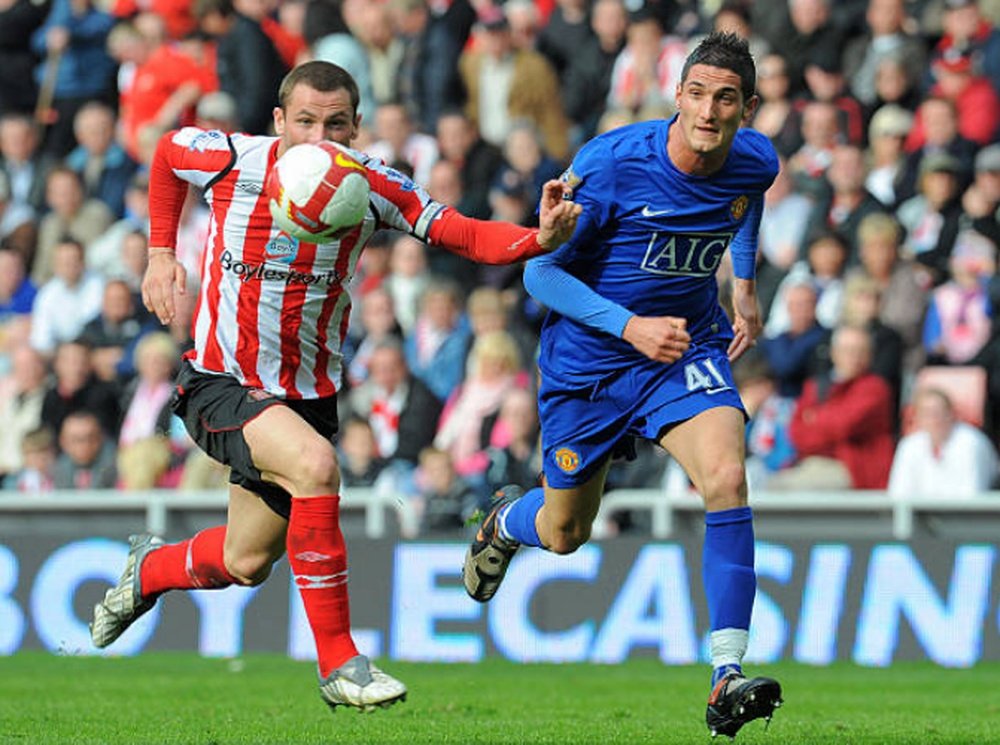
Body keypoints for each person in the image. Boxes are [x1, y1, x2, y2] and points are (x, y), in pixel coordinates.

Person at [89, 60, 580, 713]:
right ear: (278, 122)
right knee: (318, 466)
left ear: (357, 128)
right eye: (306, 122)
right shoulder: (230, 159)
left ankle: (147, 570)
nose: (321, 136)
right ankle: (340, 661)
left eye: (337, 124)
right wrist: (159, 252)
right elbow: (167, 153)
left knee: (244, 561)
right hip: (220, 379)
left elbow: (461, 232)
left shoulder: (373, 185)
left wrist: (535, 237)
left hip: (305, 397)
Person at [463, 33, 782, 738]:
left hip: (686, 347)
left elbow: (748, 198)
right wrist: (630, 325)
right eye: (697, 93)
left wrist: (747, 287)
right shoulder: (610, 164)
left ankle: (725, 673)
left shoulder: (757, 157)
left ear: (747, 108)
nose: (709, 110)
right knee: (565, 529)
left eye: (726, 98)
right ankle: (506, 522)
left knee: (727, 475)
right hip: (590, 363)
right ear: (678, 95)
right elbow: (539, 272)